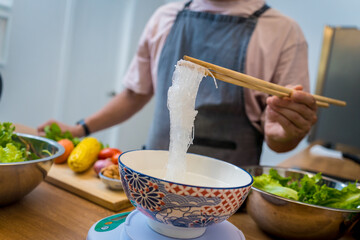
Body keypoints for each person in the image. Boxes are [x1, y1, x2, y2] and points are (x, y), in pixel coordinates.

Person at [38, 0, 317, 167]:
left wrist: (285, 135)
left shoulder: (283, 32)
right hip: (153, 179)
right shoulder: (165, 17)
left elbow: (281, 135)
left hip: (226, 199)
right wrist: (79, 129)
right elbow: (135, 93)